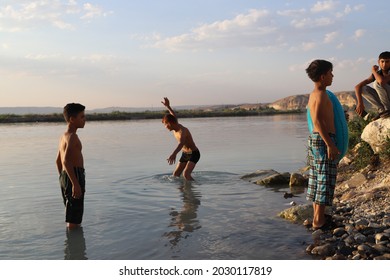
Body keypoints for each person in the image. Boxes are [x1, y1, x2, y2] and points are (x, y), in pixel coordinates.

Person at [306, 60, 340, 230]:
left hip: (315, 140)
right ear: (322, 76)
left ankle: (317, 217)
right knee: (325, 179)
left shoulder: (314, 94)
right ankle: (319, 222)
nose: (332, 76)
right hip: (323, 139)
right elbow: (318, 122)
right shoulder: (320, 95)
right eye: (330, 73)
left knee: (317, 178)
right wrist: (330, 144)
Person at [56, 103, 86, 229]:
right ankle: (73, 245)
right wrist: (75, 183)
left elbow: (58, 161)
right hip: (74, 176)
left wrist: (64, 179)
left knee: (72, 213)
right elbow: (66, 161)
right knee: (74, 219)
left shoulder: (63, 136)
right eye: (82, 117)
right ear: (72, 119)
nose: (85, 120)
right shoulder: (72, 137)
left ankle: (73, 245)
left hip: (66, 176)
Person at [161, 97, 200, 181]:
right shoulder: (175, 124)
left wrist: (174, 154)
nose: (165, 127)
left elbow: (181, 143)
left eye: (165, 124)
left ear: (170, 123)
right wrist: (168, 106)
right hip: (185, 154)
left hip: (194, 153)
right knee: (175, 175)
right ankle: (182, 192)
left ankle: (195, 189)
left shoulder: (182, 131)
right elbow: (173, 114)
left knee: (186, 174)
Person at [355, 51, 390, 119]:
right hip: (386, 100)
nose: (384, 64)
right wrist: (360, 103)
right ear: (378, 62)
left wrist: (373, 71)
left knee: (377, 83)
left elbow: (381, 81)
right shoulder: (378, 74)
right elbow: (357, 87)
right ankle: (382, 111)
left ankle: (387, 110)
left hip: (388, 103)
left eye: (387, 61)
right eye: (382, 62)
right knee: (363, 88)